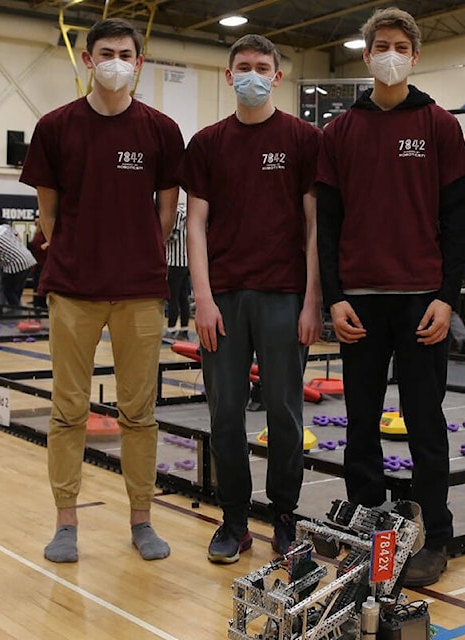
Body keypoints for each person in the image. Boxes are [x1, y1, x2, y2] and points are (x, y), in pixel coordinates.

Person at [17, 17, 184, 563]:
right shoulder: (55, 127)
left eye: (126, 54)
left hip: (139, 291)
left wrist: (137, 252)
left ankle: (142, 518)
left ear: (139, 62)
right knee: (68, 411)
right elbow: (48, 210)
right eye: (106, 52)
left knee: (140, 412)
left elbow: (166, 210)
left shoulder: (160, 128)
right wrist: (79, 252)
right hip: (73, 288)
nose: (116, 62)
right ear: (88, 60)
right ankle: (66, 522)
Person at [316, 8, 465, 587]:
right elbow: (327, 226)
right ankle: (369, 527)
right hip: (359, 303)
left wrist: (446, 298)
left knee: (425, 421)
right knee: (360, 422)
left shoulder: (440, 126)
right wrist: (334, 298)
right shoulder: (339, 131)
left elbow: (456, 222)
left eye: (400, 45)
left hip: (420, 303)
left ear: (415, 54)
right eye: (380, 45)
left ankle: (436, 532)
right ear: (366, 55)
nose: (390, 53)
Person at [179, 33, 322, 564]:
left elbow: (313, 226)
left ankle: (284, 514)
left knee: (286, 414)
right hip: (225, 299)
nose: (253, 74)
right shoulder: (208, 143)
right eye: (243, 66)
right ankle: (234, 519)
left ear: (279, 76)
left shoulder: (305, 139)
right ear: (228, 75)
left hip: (285, 297)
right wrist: (203, 298)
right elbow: (195, 224)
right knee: (225, 416)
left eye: (263, 66)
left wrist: (313, 301)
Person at [165, 201, 191, 339]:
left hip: (175, 262)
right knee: (183, 298)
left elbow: (172, 237)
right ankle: (184, 329)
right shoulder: (188, 211)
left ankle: (171, 329)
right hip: (186, 261)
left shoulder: (176, 213)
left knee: (172, 297)